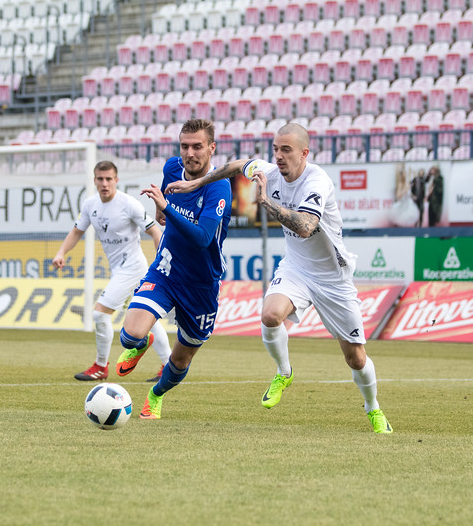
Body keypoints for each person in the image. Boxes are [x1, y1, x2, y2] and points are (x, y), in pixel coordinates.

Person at [166, 123, 392, 433]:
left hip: (332, 277)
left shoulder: (317, 181)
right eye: (275, 149)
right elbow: (236, 166)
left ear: (304, 153)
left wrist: (266, 202)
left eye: (286, 150)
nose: (279, 156)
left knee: (355, 357)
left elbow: (306, 226)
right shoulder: (269, 171)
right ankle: (284, 372)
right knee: (270, 315)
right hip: (296, 267)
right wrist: (198, 183)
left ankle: (373, 407)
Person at [113, 119, 231, 419]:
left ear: (212, 148)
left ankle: (155, 395)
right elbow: (165, 196)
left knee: (180, 361)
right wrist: (160, 209)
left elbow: (203, 238)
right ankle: (142, 343)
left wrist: (166, 208)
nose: (190, 153)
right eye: (184, 146)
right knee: (129, 335)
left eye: (197, 147)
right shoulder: (172, 167)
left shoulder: (219, 186)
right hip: (166, 269)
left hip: (201, 284)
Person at [53, 160, 172, 382]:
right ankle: (169, 366)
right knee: (148, 318)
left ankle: (100, 367)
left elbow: (156, 231)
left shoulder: (129, 204)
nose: (105, 183)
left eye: (109, 179)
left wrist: (160, 262)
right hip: (119, 269)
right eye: (100, 179)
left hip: (133, 268)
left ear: (116, 180)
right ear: (94, 180)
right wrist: (61, 253)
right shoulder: (90, 205)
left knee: (100, 313)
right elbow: (77, 231)